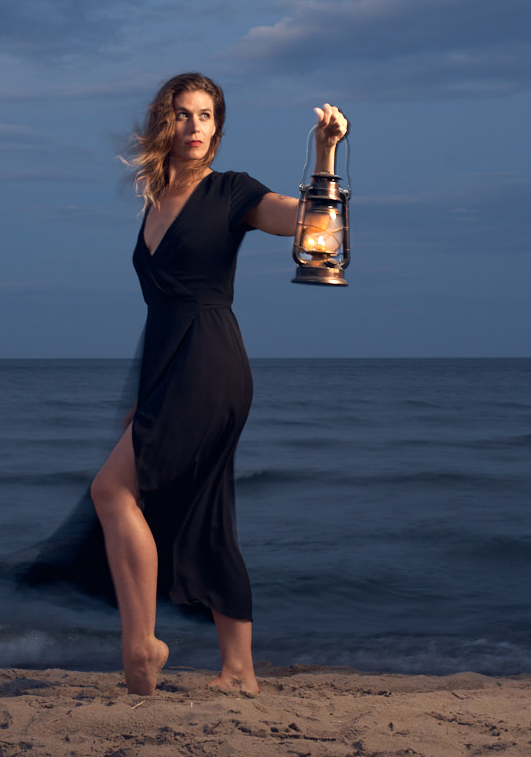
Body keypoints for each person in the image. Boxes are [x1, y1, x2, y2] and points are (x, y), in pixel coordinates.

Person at [88, 72, 348, 697]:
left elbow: (305, 223)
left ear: (218, 128)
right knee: (207, 515)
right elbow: (161, 312)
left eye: (206, 115)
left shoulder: (231, 191)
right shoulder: (155, 200)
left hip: (211, 361)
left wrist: (324, 154)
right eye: (183, 113)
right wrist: (143, 397)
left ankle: (142, 645)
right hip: (170, 365)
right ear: (165, 122)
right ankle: (240, 672)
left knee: (112, 490)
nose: (195, 126)